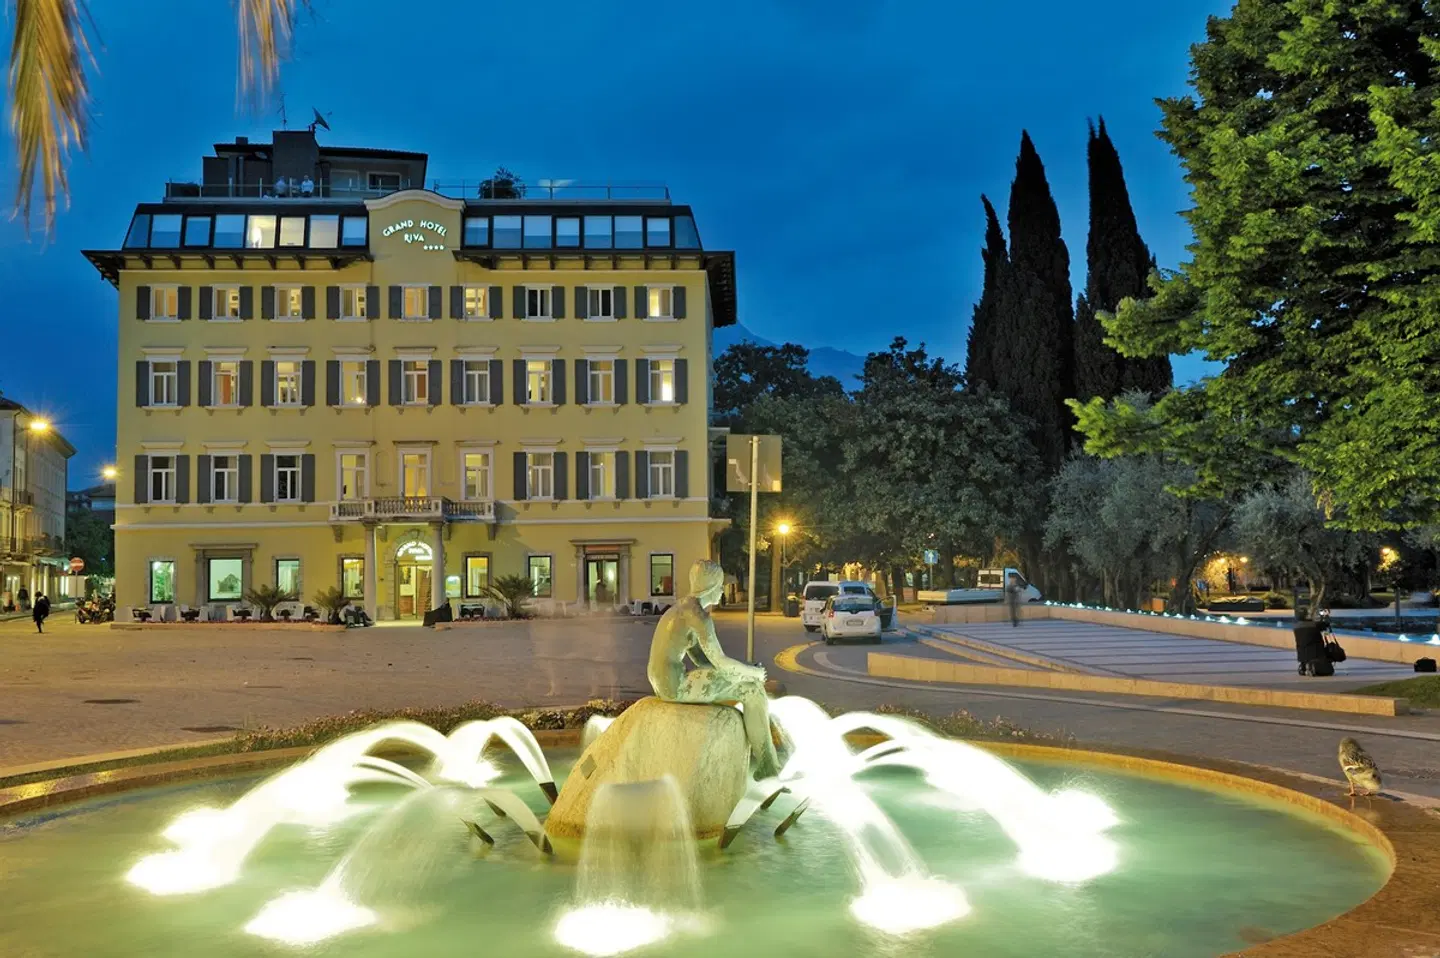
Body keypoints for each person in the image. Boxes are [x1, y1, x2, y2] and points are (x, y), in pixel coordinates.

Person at [647, 559, 782, 779]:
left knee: (747, 681)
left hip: (663, 682)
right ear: (710, 587)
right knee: (753, 690)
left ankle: (768, 763)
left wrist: (744, 668)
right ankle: (768, 765)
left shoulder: (683, 608)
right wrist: (753, 674)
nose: (722, 591)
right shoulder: (698, 616)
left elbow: (702, 661)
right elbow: (720, 662)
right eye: (720, 585)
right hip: (675, 686)